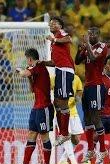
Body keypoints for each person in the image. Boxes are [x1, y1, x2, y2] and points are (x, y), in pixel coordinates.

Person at [83, 55, 110, 164]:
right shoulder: (99, 78)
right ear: (105, 65)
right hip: (99, 114)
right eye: (109, 63)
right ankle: (88, 163)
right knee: (95, 137)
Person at [40, 16, 75, 146]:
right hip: (60, 70)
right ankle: (63, 133)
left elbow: (69, 38)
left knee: (63, 102)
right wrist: (42, 63)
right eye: (51, 23)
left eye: (54, 23)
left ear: (60, 26)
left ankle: (65, 134)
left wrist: (54, 38)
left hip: (66, 70)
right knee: (57, 102)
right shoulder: (54, 44)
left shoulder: (61, 34)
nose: (51, 24)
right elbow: (54, 62)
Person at [16, 48, 54, 164]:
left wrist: (20, 70)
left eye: (27, 59)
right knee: (31, 134)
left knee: (44, 136)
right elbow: (32, 90)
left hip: (44, 108)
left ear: (30, 59)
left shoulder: (39, 66)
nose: (27, 62)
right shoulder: (35, 70)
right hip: (36, 108)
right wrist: (28, 77)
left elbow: (23, 73)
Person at [75, 26, 108, 163]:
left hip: (97, 86)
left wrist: (87, 44)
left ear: (98, 35)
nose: (91, 35)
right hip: (87, 86)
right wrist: (79, 49)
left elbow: (94, 58)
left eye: (93, 34)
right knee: (87, 119)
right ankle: (90, 149)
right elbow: (77, 61)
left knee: (95, 117)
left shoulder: (102, 46)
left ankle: (102, 150)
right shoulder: (87, 46)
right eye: (89, 33)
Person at [55, 74, 84, 164]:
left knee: (77, 138)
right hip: (62, 113)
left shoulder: (76, 78)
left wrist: (78, 97)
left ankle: (62, 160)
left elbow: (79, 91)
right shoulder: (55, 77)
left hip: (73, 111)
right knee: (66, 136)